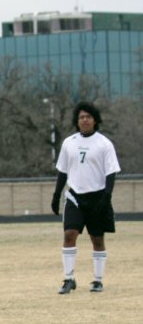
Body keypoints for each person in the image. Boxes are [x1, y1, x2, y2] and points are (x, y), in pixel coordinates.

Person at [50, 102, 121, 294]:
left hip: (97, 197)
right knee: (69, 235)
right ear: (77, 121)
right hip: (74, 197)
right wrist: (56, 195)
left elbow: (111, 172)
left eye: (88, 117)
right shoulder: (69, 143)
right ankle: (68, 278)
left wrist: (106, 197)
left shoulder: (104, 143)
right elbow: (63, 171)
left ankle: (97, 280)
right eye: (81, 117)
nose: (84, 120)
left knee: (97, 240)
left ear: (95, 120)